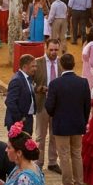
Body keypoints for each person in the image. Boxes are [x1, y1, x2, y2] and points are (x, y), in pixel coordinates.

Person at [45, 53, 91, 185]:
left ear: (61, 65)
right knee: (77, 154)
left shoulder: (55, 84)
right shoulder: (83, 82)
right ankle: (79, 183)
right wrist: (83, 120)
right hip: (78, 124)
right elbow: (87, 106)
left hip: (62, 124)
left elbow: (49, 106)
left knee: (64, 156)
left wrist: (55, 115)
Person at [32, 39, 61, 173]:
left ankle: (53, 162)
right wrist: (39, 88)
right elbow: (29, 83)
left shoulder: (61, 63)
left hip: (57, 106)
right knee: (40, 136)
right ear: (46, 48)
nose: (54, 52)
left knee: (55, 135)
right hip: (42, 103)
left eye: (56, 50)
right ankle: (38, 162)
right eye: (51, 50)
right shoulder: (37, 63)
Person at [4, 54, 36, 132]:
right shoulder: (17, 80)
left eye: (36, 66)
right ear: (25, 66)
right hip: (18, 123)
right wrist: (20, 118)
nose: (35, 69)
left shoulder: (28, 78)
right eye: (33, 66)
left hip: (27, 119)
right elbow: (10, 101)